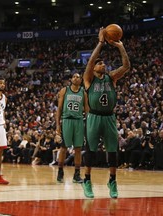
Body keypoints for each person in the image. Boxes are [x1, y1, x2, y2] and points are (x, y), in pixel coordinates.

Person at [82, 27, 130, 198]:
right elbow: (90, 62)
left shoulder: (112, 77)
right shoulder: (89, 79)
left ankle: (112, 181)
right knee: (91, 151)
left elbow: (126, 66)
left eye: (103, 62)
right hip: (94, 117)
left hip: (109, 117)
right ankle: (87, 180)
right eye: (99, 63)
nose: (103, 63)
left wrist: (120, 46)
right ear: (94, 67)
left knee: (112, 151)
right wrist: (100, 43)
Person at [56, 73, 88, 183]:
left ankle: (77, 174)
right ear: (71, 79)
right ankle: (60, 172)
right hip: (66, 120)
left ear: (81, 80)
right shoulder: (64, 90)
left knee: (78, 149)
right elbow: (59, 109)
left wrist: (88, 124)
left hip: (79, 121)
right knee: (64, 148)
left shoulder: (83, 92)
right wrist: (57, 126)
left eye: (78, 77)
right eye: (74, 76)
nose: (75, 78)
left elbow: (87, 110)